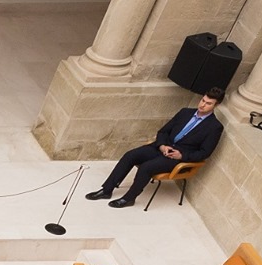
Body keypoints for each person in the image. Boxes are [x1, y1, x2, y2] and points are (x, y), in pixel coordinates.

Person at [86, 89, 223, 207]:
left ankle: (128, 199)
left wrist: (181, 156)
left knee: (146, 167)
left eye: (208, 103)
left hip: (177, 158)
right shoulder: (185, 112)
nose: (203, 105)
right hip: (162, 148)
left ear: (216, 105)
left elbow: (205, 153)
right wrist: (162, 145)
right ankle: (106, 190)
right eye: (203, 100)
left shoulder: (214, 127)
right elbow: (163, 131)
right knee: (130, 155)